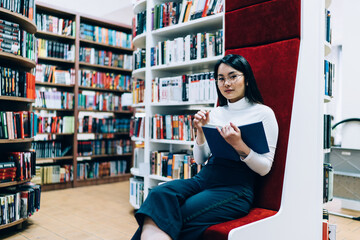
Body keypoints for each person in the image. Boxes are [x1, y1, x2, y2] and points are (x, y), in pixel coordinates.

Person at [131, 54, 279, 240]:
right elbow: (201, 159)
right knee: (159, 194)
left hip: (235, 188)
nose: (227, 83)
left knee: (173, 213)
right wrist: (199, 132)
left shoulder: (263, 113)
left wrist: (239, 145)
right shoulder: (216, 112)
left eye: (233, 76)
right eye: (221, 78)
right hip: (204, 179)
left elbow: (265, 168)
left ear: (247, 79)